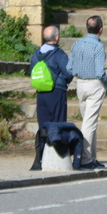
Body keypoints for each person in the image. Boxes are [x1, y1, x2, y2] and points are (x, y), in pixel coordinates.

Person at [29, 25, 73, 171]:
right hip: (56, 92)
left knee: (43, 125)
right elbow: (68, 74)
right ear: (57, 37)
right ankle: (57, 159)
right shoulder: (59, 54)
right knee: (58, 123)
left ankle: (39, 158)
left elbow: (32, 70)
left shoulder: (36, 53)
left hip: (41, 92)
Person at [67, 15, 107, 170]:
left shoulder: (77, 43)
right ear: (101, 30)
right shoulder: (98, 47)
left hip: (80, 84)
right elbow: (99, 71)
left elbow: (69, 68)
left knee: (89, 122)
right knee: (89, 124)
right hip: (94, 85)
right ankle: (84, 159)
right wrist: (105, 82)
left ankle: (91, 157)